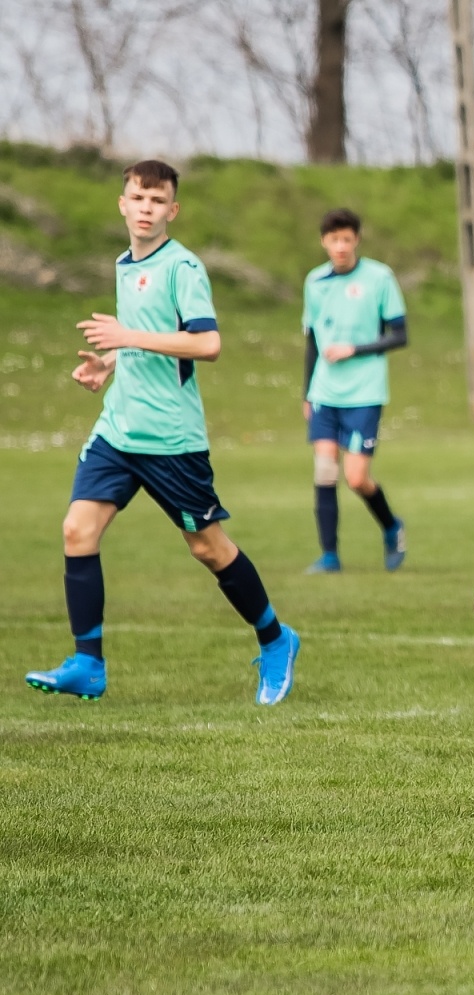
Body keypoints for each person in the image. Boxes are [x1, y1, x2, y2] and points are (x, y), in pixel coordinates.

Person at [24, 160, 299, 704]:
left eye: (157, 201)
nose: (146, 209)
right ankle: (88, 664)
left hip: (171, 439)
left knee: (207, 547)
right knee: (77, 530)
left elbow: (206, 344)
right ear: (122, 204)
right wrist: (109, 364)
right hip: (119, 430)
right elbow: (149, 337)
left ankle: (275, 639)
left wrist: (126, 336)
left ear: (173, 209)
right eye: (138, 198)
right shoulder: (125, 263)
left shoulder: (183, 268)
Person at [301, 208, 409, 573]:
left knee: (356, 478)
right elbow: (312, 341)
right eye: (334, 240)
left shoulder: (379, 277)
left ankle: (392, 527)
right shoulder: (315, 281)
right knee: (324, 470)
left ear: (357, 240)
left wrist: (355, 349)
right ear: (324, 242)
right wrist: (306, 393)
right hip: (324, 392)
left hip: (365, 392)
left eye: (347, 239)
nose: (341, 246)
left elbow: (400, 335)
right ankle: (329, 555)